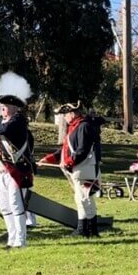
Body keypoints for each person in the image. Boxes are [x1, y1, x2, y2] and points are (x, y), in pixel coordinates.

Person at [39, 101, 102, 238]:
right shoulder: (75, 127)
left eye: (65, 114)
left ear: (73, 114)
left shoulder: (83, 126)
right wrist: (49, 158)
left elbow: (82, 150)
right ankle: (85, 229)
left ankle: (90, 230)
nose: (64, 117)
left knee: (85, 198)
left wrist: (68, 163)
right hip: (81, 167)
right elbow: (66, 149)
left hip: (85, 168)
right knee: (81, 198)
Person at [0, 94, 34, 248]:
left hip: (17, 170)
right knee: (5, 206)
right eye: (2, 106)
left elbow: (6, 129)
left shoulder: (18, 120)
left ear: (14, 108)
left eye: (5, 106)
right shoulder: (0, 119)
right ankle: (12, 237)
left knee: (16, 205)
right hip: (1, 170)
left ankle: (21, 240)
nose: (2, 108)